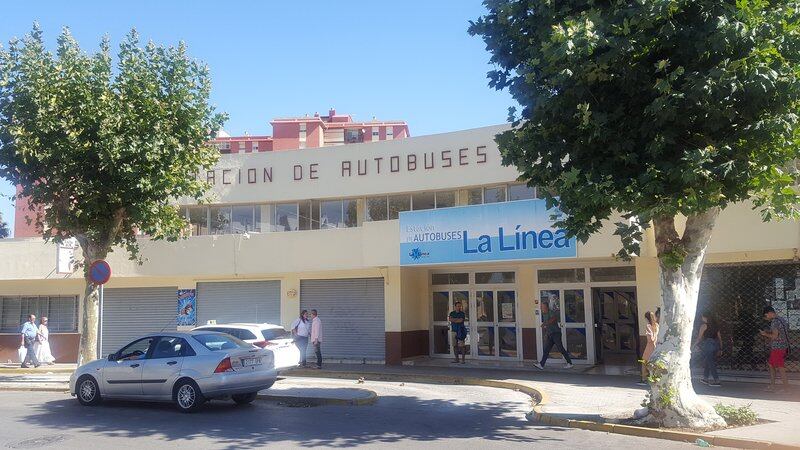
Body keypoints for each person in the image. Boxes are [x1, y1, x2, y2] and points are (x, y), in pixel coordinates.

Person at [534, 301, 573, 369]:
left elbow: (554, 318)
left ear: (546, 307)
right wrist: (546, 334)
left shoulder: (550, 312)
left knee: (560, 348)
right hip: (550, 334)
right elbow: (548, 326)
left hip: (556, 334)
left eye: (542, 306)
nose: (541, 307)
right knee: (546, 350)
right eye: (541, 306)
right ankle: (541, 364)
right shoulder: (544, 314)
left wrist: (546, 323)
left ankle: (569, 363)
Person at [760, 306, 790, 391]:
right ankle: (773, 386)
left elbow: (774, 336)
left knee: (780, 367)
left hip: (778, 347)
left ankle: (786, 388)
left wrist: (765, 334)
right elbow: (780, 332)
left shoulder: (774, 322)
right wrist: (769, 332)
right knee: (771, 365)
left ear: (770, 313)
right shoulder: (782, 319)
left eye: (765, 316)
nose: (766, 318)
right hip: (783, 346)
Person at [694, 310, 722, 387]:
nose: (701, 318)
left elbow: (699, 338)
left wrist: (693, 346)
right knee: (708, 360)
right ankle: (705, 378)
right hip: (716, 344)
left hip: (708, 344)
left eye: (702, 316)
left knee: (710, 362)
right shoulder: (715, 326)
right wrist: (720, 348)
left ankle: (717, 380)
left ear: (705, 317)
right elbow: (720, 338)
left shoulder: (704, 326)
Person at [638, 311, 659, 385]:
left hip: (650, 346)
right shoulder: (657, 325)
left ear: (647, 318)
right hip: (656, 346)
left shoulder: (648, 326)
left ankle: (644, 378)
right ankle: (654, 378)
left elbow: (650, 338)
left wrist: (650, 338)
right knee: (653, 362)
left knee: (644, 362)